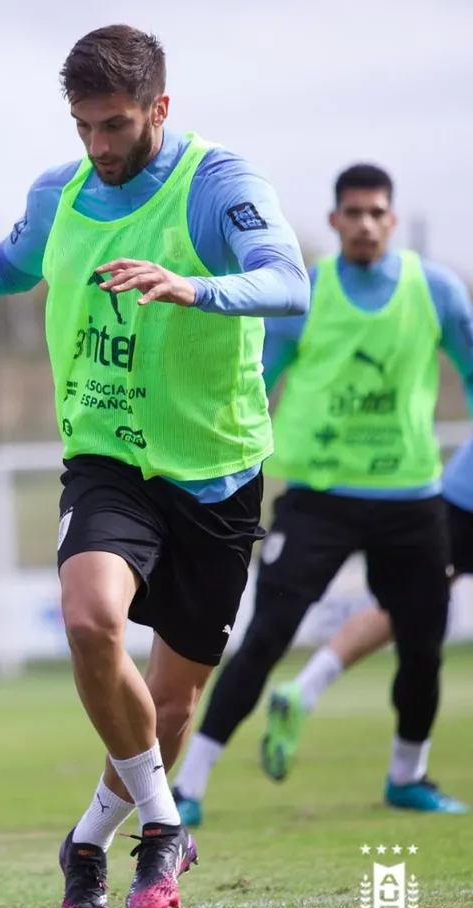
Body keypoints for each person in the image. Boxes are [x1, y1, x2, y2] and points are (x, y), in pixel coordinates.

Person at [0, 24, 309, 908]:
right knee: (90, 618)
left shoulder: (218, 186)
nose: (98, 148)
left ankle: (89, 843)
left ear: (160, 109)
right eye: (84, 127)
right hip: (106, 456)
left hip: (217, 471)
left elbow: (288, 280)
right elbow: (8, 263)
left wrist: (196, 286)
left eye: (115, 126)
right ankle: (164, 826)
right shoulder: (60, 191)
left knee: (172, 702)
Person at [172, 164, 473, 827]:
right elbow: (251, 385)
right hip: (318, 499)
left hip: (411, 499)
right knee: (267, 633)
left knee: (424, 643)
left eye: (376, 213)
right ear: (335, 221)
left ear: (391, 221)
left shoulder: (438, 292)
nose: (365, 224)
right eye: (353, 213)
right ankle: (189, 786)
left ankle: (407, 774)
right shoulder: (304, 294)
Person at [259, 430, 473, 813]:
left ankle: (306, 688)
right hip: (462, 498)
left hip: (455, 491)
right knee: (414, 609)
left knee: (406, 608)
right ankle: (404, 773)